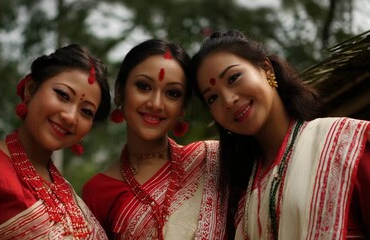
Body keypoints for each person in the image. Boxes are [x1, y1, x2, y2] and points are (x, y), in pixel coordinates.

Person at [188, 29, 370, 239]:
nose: (228, 100)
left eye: (233, 78)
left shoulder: (344, 145)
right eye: (212, 98)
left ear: (266, 69)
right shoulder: (239, 194)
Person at [0, 44, 111, 239]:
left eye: (86, 111)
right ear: (30, 90)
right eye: (63, 95)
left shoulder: (68, 193)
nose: (70, 117)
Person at [82, 39, 227, 239]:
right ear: (120, 92)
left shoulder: (211, 161)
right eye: (143, 86)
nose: (156, 104)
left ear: (182, 107)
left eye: (172, 93)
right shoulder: (98, 191)